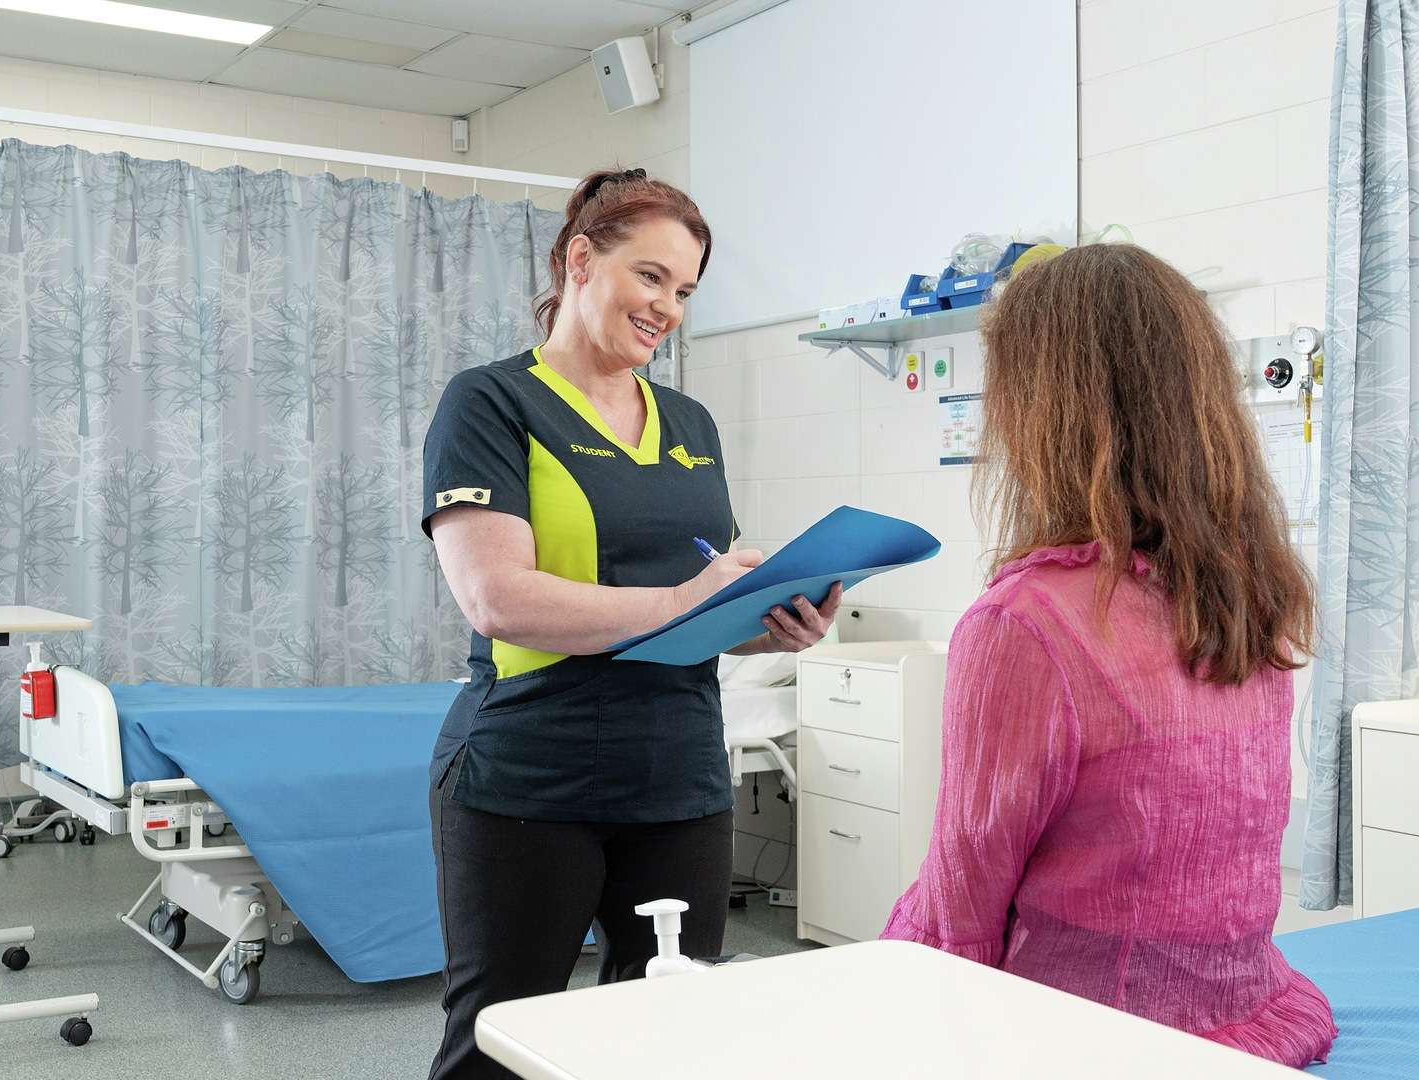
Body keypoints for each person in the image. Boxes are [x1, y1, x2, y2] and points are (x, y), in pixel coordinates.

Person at [420, 168, 840, 1080]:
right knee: (497, 1043)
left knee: (672, 1038)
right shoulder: (491, 403)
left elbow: (700, 607)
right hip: (531, 774)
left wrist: (770, 620)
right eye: (650, 277)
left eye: (685, 290)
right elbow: (498, 598)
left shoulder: (689, 421)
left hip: (679, 777)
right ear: (580, 259)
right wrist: (693, 598)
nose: (668, 308)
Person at [881, 243, 1337, 1067]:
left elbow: (962, 906)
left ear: (1040, 408)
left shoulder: (1027, 624)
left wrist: (884, 999)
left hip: (1085, 1039)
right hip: (1246, 1020)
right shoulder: (1249, 588)